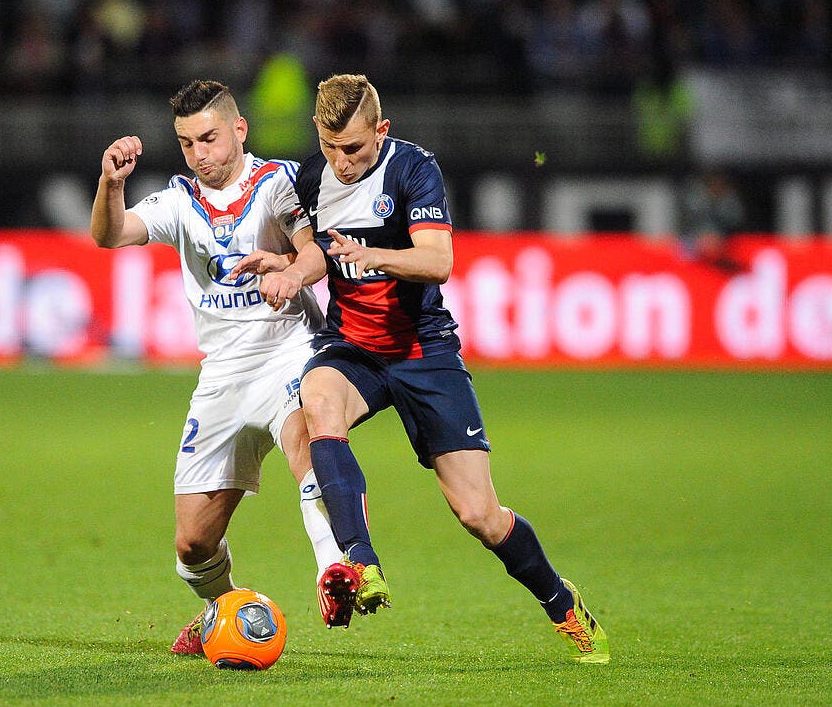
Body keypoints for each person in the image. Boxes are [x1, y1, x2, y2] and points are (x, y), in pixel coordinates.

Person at [250, 73, 610, 663]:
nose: (342, 161)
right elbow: (318, 248)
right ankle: (361, 564)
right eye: (331, 146)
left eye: (355, 148)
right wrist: (292, 272)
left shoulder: (413, 169)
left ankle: (561, 603)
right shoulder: (310, 176)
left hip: (424, 353)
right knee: (316, 404)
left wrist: (372, 254)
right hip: (354, 348)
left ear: (381, 131)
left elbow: (439, 260)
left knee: (478, 514)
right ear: (318, 131)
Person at [89, 79, 341, 654]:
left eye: (209, 138)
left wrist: (289, 274)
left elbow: (313, 252)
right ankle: (223, 610)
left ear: (239, 130)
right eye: (186, 143)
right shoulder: (179, 200)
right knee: (192, 545)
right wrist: (111, 183)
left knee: (309, 440)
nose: (200, 154)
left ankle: (334, 568)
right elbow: (109, 234)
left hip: (291, 349)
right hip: (223, 375)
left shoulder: (277, 183)